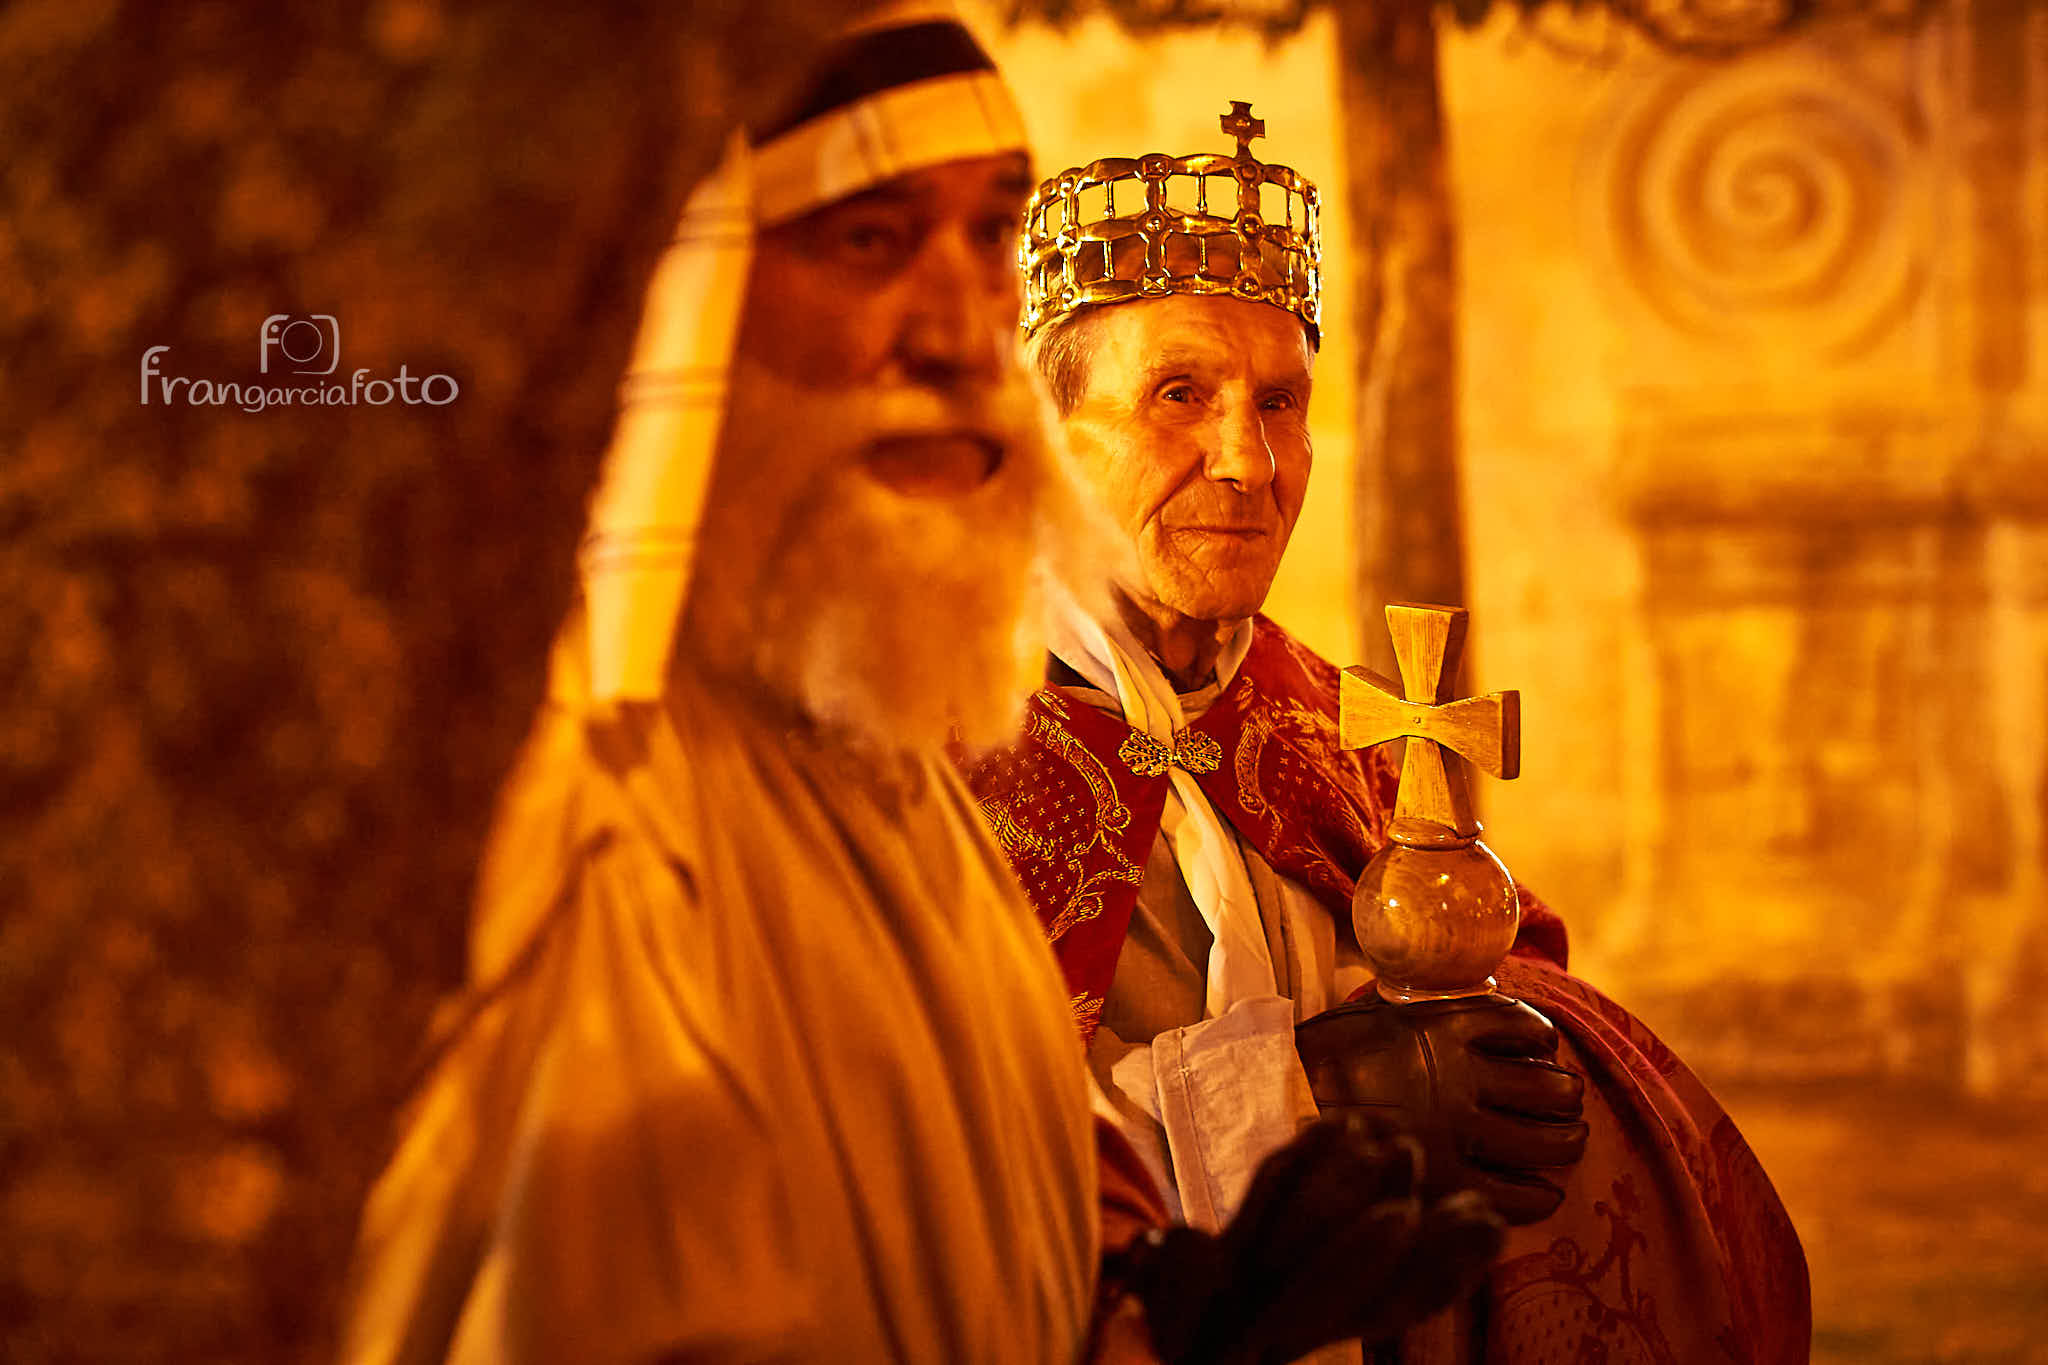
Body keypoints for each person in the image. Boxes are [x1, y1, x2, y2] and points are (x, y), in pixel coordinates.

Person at [336, 17, 1504, 1365]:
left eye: (986, 242)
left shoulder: (888, 760)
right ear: (687, 302)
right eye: (872, 242)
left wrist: (1161, 1319)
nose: (961, 333)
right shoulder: (596, 809)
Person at [962, 106, 1811, 1362]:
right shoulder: (932, 749)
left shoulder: (1330, 721)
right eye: (1178, 396)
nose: (1246, 462)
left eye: (1280, 401)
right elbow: (917, 1155)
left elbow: (1496, 1018)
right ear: (1047, 438)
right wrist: (1307, 1097)